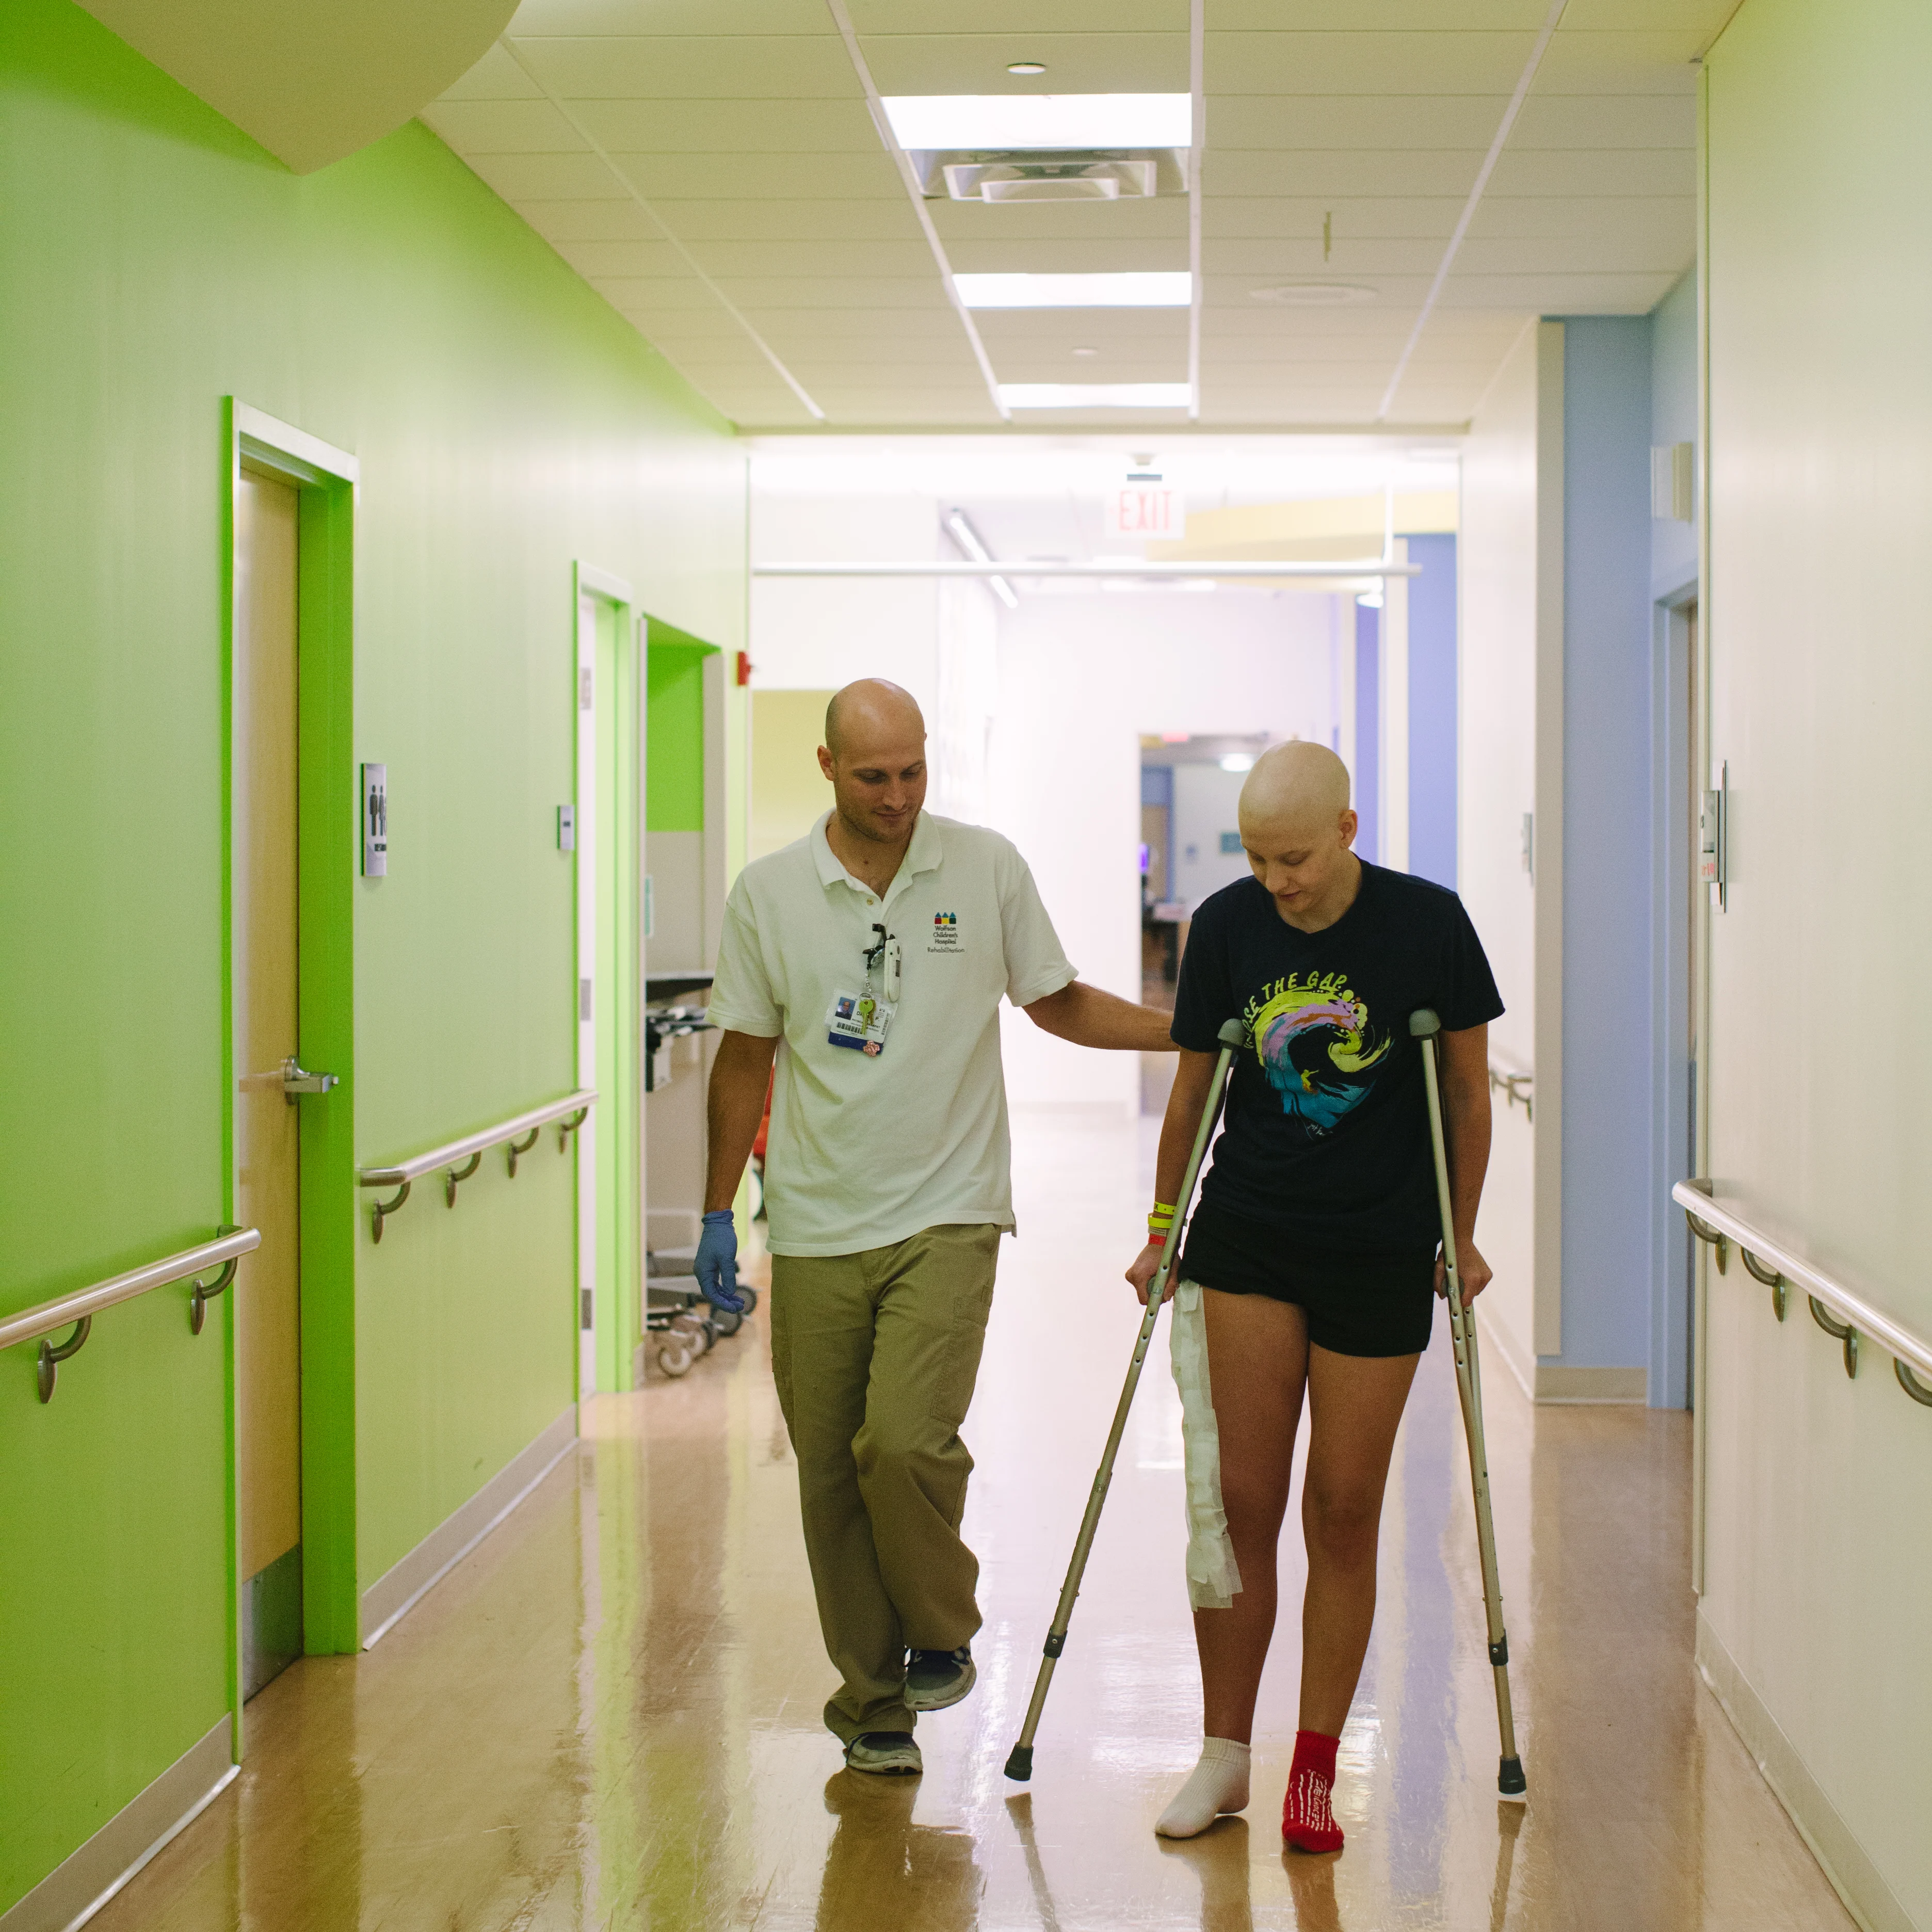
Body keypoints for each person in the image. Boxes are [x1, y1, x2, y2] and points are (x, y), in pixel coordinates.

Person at [697, 678, 1176, 1778]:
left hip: (950, 1210)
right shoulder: (770, 895)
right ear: (827, 768)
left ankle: (942, 1623)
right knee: (829, 1468)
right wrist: (717, 1211)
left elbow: (1055, 999)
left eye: (915, 772)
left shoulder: (984, 867)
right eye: (874, 776)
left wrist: (1185, 1030)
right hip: (816, 1219)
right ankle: (873, 1705)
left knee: (901, 1439)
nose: (899, 796)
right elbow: (742, 1060)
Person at [1129, 739, 1501, 1853]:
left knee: (1342, 1510)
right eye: (1256, 857)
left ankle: (1314, 1768)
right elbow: (1194, 1086)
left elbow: (1468, 1093)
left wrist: (1460, 1235)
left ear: (1346, 829)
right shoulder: (1229, 926)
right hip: (1247, 1238)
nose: (1275, 880)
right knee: (1240, 1504)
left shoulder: (1429, 924)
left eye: (1292, 857)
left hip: (1379, 1247)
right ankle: (1224, 1753)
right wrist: (1161, 1231)